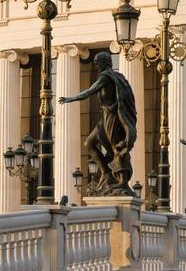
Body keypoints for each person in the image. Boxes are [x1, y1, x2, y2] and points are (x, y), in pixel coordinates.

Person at [58, 52, 138, 195]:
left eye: (97, 63)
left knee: (117, 147)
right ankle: (107, 172)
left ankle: (123, 181)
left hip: (112, 116)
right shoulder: (116, 77)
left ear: (102, 63)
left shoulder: (106, 77)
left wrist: (70, 99)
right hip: (105, 116)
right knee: (89, 143)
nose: (96, 66)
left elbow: (89, 91)